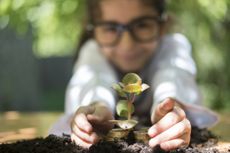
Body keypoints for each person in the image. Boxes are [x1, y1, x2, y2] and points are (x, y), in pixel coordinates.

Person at [49, 0, 218, 151]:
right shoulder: (93, 51)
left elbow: (173, 76)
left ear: (162, 26)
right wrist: (98, 106)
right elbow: (95, 80)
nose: (127, 44)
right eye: (110, 28)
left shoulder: (174, 47)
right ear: (93, 30)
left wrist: (169, 106)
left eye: (142, 25)